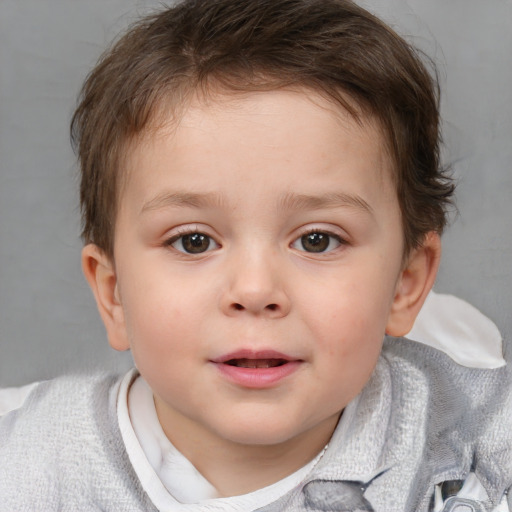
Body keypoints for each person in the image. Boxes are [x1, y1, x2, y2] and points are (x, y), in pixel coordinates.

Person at [0, 0, 511, 510]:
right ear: (113, 295)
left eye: (317, 239)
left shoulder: (473, 444)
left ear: (406, 281)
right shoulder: (29, 461)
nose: (255, 290)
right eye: (193, 241)